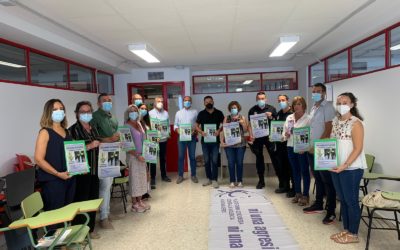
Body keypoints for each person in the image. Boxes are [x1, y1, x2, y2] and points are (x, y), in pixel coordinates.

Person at [329, 92, 366, 244]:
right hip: (336, 167)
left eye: (345, 102)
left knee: (351, 201)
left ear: (352, 104)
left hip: (351, 169)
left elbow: (357, 148)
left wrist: (345, 165)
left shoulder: (356, 123)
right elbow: (332, 143)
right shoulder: (335, 121)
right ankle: (346, 229)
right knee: (343, 200)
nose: (341, 105)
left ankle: (353, 234)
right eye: (339, 102)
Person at [303, 83, 337, 225]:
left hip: (323, 148)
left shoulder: (328, 106)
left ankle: (331, 211)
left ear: (324, 93)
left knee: (328, 181)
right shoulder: (314, 106)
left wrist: (317, 146)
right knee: (317, 178)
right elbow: (312, 127)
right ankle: (318, 204)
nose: (315, 93)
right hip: (312, 148)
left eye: (318, 91)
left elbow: (328, 129)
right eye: (314, 91)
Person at [34, 99, 75, 212]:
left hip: (69, 177)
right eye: (55, 109)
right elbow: (38, 159)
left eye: (61, 109)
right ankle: (54, 231)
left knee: (68, 213)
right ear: (48, 112)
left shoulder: (67, 132)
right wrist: (57, 174)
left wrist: (80, 167)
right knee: (55, 216)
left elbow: (71, 154)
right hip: (53, 180)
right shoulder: (45, 132)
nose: (59, 111)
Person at [69, 101, 101, 239]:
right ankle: (79, 232)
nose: (86, 114)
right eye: (83, 112)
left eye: (88, 111)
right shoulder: (73, 130)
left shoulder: (93, 128)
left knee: (93, 200)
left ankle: (90, 229)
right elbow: (71, 151)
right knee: (81, 201)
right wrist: (89, 146)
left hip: (95, 170)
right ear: (76, 113)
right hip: (82, 172)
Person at [91, 93, 121, 230]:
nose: (108, 102)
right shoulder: (95, 117)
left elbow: (116, 133)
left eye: (109, 100)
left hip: (113, 153)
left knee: (109, 185)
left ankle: (107, 213)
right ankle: (103, 217)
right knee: (104, 185)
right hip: (101, 155)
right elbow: (93, 137)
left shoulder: (112, 116)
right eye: (105, 101)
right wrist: (109, 140)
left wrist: (118, 139)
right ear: (98, 103)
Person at [248, 91, 281, 189]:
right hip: (258, 138)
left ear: (266, 99)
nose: (261, 100)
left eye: (262, 98)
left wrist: (271, 116)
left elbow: (277, 122)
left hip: (269, 137)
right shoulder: (252, 110)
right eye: (259, 99)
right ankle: (261, 181)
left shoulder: (272, 108)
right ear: (256, 99)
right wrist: (251, 135)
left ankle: (280, 180)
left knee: (274, 158)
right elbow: (250, 125)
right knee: (259, 158)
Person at [282, 96, 311, 206]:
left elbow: (311, 135)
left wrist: (306, 147)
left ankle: (305, 195)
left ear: (303, 105)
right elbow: (284, 132)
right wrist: (286, 134)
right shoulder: (289, 117)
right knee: (295, 171)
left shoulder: (308, 118)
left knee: (304, 171)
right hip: (290, 146)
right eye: (295, 104)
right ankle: (298, 193)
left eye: (299, 104)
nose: (296, 106)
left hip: (302, 149)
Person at [125, 105, 151, 212]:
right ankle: (134, 204)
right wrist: (137, 155)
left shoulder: (139, 123)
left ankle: (140, 201)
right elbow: (126, 145)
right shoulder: (126, 126)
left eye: (135, 111)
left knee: (141, 179)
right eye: (131, 111)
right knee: (134, 180)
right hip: (133, 156)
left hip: (142, 156)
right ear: (128, 113)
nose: (133, 113)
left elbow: (144, 139)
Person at [196, 96, 224, 188]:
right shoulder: (201, 113)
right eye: (206, 102)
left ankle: (214, 179)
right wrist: (201, 132)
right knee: (207, 161)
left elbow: (224, 124)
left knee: (215, 161)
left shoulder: (219, 113)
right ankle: (209, 178)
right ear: (204, 103)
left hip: (215, 141)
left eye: (210, 101)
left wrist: (219, 131)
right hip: (205, 141)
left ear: (213, 102)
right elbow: (196, 126)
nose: (208, 103)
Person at [220, 101, 248, 188]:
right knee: (231, 163)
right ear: (230, 109)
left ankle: (239, 181)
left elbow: (246, 130)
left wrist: (242, 123)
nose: (233, 109)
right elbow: (223, 131)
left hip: (240, 144)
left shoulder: (242, 117)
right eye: (232, 108)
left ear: (238, 108)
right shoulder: (226, 118)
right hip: (229, 145)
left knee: (239, 163)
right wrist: (222, 142)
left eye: (235, 108)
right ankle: (232, 181)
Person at [174, 96, 198, 184]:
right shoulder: (178, 113)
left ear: (191, 102)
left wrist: (195, 130)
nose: (187, 102)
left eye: (188, 101)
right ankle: (180, 175)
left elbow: (197, 124)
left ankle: (193, 175)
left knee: (192, 157)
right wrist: (179, 132)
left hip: (192, 137)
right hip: (182, 138)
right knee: (181, 157)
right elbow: (175, 126)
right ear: (183, 102)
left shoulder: (195, 112)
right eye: (185, 100)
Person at [149, 96, 171, 188]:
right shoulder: (150, 113)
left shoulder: (165, 113)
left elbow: (168, 124)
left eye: (161, 101)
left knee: (163, 158)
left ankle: (164, 175)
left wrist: (169, 132)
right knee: (153, 159)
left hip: (163, 139)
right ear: (154, 103)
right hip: (153, 140)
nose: (160, 103)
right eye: (158, 101)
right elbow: (148, 126)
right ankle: (153, 177)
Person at [275, 94, 295, 197]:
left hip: (289, 144)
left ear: (288, 100)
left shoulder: (292, 114)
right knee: (282, 166)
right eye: (279, 100)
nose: (281, 102)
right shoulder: (278, 114)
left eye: (283, 100)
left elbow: (292, 130)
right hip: (280, 144)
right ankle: (285, 186)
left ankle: (294, 188)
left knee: (291, 167)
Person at [138, 103, 152, 200]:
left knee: (147, 171)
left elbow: (150, 133)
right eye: (141, 108)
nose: (144, 110)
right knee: (141, 172)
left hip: (148, 148)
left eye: (145, 109)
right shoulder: (136, 122)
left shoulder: (146, 121)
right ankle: (141, 193)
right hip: (140, 150)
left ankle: (146, 191)